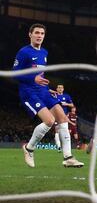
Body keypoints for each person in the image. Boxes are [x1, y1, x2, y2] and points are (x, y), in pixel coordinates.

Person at [13, 23, 84, 168]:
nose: (39, 36)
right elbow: (15, 74)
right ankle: (29, 149)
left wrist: (47, 87)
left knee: (63, 119)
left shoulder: (44, 53)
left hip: (43, 91)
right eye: (37, 33)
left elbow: (40, 75)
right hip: (29, 92)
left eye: (42, 34)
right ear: (30, 34)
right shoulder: (24, 52)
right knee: (50, 121)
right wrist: (33, 79)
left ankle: (68, 157)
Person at [51, 84, 76, 151]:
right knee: (57, 131)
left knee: (65, 131)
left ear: (63, 89)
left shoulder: (66, 96)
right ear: (56, 89)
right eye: (59, 87)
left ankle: (65, 147)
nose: (60, 89)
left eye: (61, 87)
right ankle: (59, 146)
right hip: (56, 115)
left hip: (64, 116)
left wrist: (66, 104)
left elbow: (72, 105)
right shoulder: (54, 95)